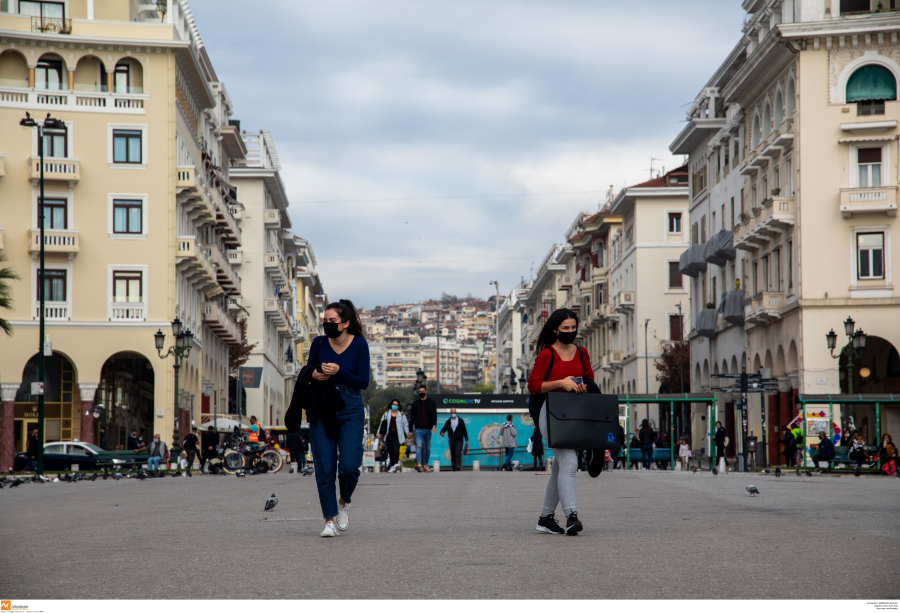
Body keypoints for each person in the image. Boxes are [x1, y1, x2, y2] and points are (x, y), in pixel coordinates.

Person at [304, 299, 370, 537]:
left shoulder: (360, 344)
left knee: (350, 466)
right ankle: (329, 520)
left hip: (351, 406)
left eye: (332, 321)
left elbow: (364, 381)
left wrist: (339, 372)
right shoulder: (319, 343)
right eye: (325, 320)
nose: (327, 324)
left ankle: (344, 501)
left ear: (345, 323)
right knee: (324, 467)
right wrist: (315, 373)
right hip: (323, 407)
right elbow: (308, 370)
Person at [527, 308, 592, 536]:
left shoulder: (582, 353)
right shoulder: (548, 354)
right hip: (550, 414)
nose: (571, 332)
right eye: (565, 328)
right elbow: (533, 385)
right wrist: (560, 383)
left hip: (574, 415)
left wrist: (583, 387)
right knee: (570, 463)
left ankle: (545, 518)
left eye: (574, 327)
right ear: (555, 329)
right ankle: (571, 516)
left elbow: (590, 380)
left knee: (559, 468)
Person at [410, 384, 437, 473]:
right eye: (420, 392)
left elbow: (434, 415)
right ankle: (419, 465)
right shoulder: (415, 404)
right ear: (418, 392)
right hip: (419, 429)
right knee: (419, 447)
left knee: (428, 448)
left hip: (428, 429)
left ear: (426, 391)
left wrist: (434, 426)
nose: (421, 393)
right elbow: (412, 418)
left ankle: (425, 465)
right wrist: (410, 430)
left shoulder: (432, 403)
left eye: (423, 391)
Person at [378, 400, 409, 473]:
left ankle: (395, 464)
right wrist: (378, 433)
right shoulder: (386, 414)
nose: (395, 406)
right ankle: (392, 466)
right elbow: (381, 424)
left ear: (398, 406)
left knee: (396, 449)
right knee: (390, 451)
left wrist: (408, 433)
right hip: (389, 434)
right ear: (391, 405)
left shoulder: (401, 415)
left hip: (397, 434)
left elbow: (405, 425)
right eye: (393, 404)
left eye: (396, 405)